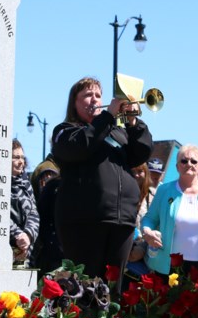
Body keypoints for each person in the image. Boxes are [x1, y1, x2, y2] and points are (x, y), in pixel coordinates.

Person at [51, 76, 154, 280]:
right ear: (74, 102)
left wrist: (132, 122)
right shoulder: (65, 130)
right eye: (88, 95)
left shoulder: (117, 131)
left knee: (112, 290)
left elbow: (142, 152)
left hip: (121, 220)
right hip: (84, 221)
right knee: (86, 287)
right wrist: (107, 116)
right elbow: (81, 146)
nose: (95, 99)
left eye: (98, 95)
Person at [141, 145, 198, 283]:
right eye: (184, 161)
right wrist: (147, 232)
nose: (189, 164)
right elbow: (149, 219)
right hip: (167, 266)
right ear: (177, 166)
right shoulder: (164, 190)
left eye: (194, 161)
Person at [9, 139, 39, 266]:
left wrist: (27, 235)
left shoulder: (26, 184)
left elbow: (33, 213)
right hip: (8, 246)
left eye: (22, 157)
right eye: (16, 157)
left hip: (26, 249)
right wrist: (17, 234)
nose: (21, 161)